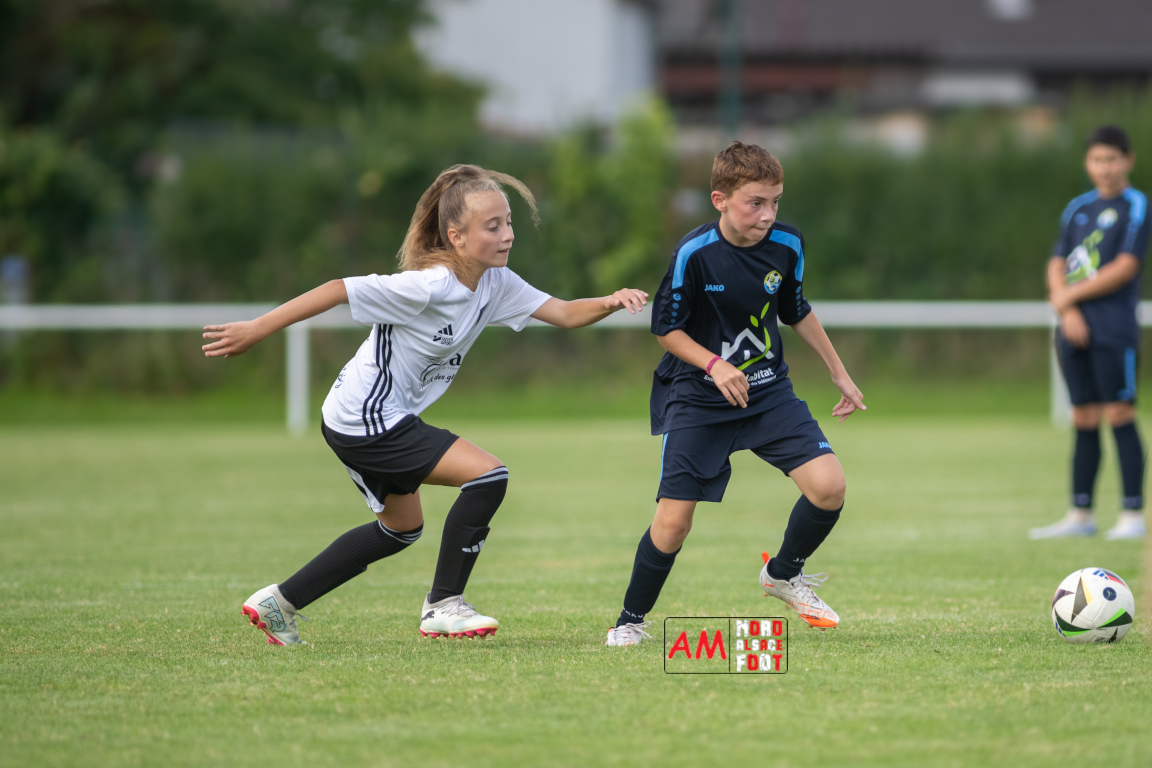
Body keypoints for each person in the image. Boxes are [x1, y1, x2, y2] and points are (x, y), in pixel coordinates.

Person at [203, 164, 648, 645]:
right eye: (492, 226)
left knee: (400, 529)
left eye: (508, 222)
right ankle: (443, 605)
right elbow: (336, 290)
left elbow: (562, 312)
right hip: (365, 417)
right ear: (456, 237)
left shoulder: (496, 282)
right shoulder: (429, 285)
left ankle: (280, 602)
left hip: (366, 417)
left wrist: (610, 300)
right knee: (487, 476)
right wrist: (255, 329)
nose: (507, 235)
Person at [604, 142, 865, 647]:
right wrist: (714, 363)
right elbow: (666, 329)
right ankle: (629, 620)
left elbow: (795, 308)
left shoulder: (788, 244)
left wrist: (839, 372)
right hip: (697, 397)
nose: (767, 215)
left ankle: (783, 575)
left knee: (829, 486)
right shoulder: (694, 254)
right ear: (720, 200)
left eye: (775, 202)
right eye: (755, 203)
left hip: (767, 391)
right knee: (673, 524)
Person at [1031, 126, 1150, 541]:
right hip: (1072, 326)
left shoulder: (1136, 205)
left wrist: (1066, 298)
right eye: (1097, 160)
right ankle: (1080, 513)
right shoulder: (1077, 207)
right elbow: (1057, 262)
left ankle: (1132, 514)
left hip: (1113, 329)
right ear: (1088, 163)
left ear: (1128, 160)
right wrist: (1067, 309)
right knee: (1082, 417)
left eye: (1112, 159)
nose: (1105, 167)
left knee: (1119, 413)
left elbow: (1125, 267)